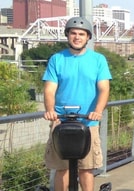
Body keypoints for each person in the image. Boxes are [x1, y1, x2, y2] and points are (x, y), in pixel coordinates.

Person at [42, 16, 112, 191]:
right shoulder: (56, 59)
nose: (77, 37)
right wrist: (50, 110)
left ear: (88, 37)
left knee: (86, 169)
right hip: (61, 121)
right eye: (73, 33)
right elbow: (49, 89)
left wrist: (97, 110)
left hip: (88, 121)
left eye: (82, 34)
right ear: (67, 35)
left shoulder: (98, 60)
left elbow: (104, 88)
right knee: (62, 169)